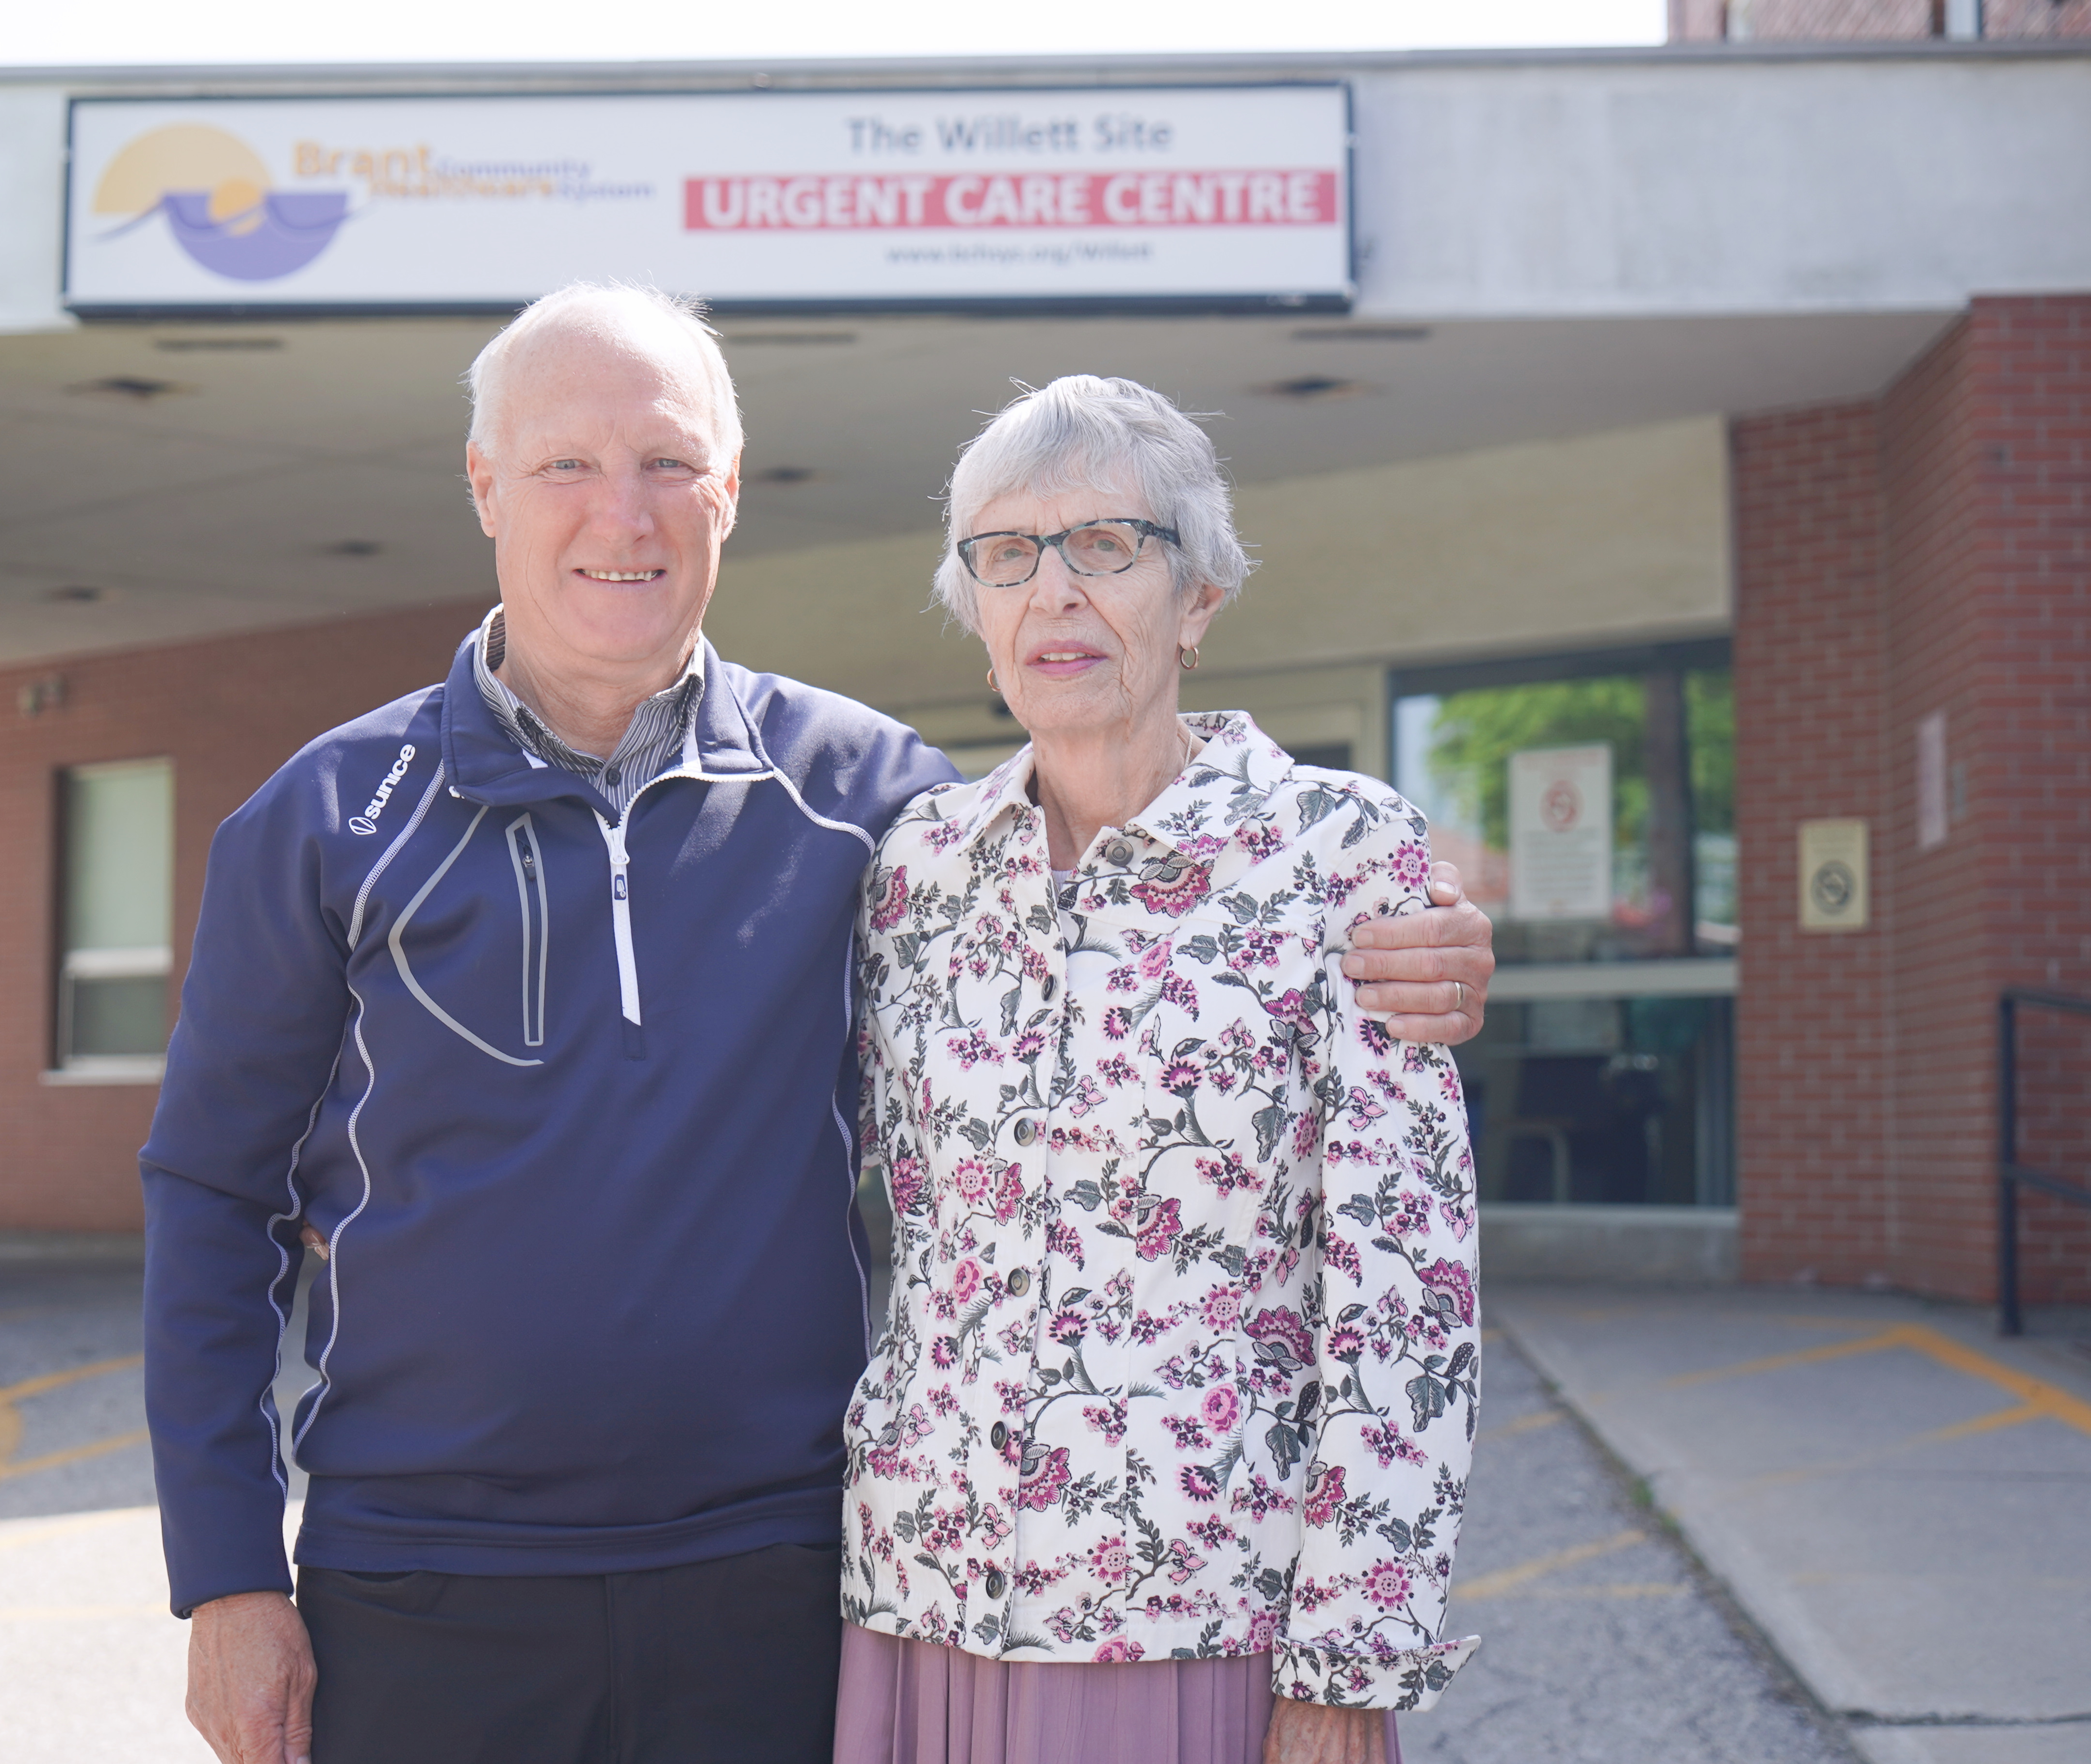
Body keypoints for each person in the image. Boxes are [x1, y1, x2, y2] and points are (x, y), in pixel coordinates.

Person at [139, 284, 1495, 1764]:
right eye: (565, 466)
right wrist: (224, 1575)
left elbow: (1122, 881)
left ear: (729, 492)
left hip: (786, 1588)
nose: (624, 513)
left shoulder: (872, 804)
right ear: (483, 489)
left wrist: (1415, 959)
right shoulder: (327, 819)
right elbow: (215, 1198)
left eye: (668, 463)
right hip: (418, 1583)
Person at [835, 376, 1481, 1764]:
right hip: (919, 1597)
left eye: (1108, 546)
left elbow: (1405, 1302)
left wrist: (1349, 1665)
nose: (1053, 593)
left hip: (1189, 1610)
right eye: (1007, 556)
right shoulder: (919, 873)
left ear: (1198, 600)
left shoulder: (1339, 858)